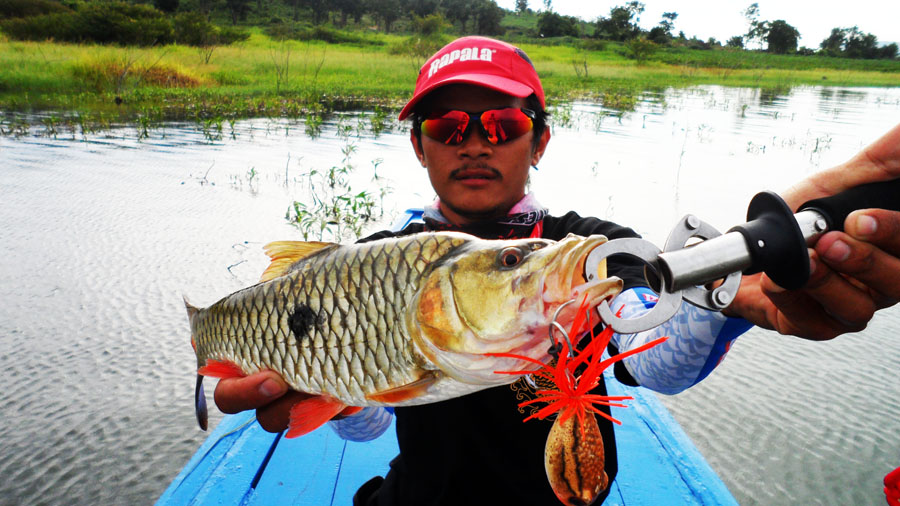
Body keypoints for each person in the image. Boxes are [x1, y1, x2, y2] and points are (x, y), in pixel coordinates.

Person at [213, 36, 900, 504]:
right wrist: (323, 376)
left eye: (502, 124)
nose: (475, 143)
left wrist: (718, 293)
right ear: (420, 148)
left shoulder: (589, 250)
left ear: (539, 138)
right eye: (448, 127)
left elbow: (648, 356)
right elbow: (364, 427)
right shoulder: (371, 264)